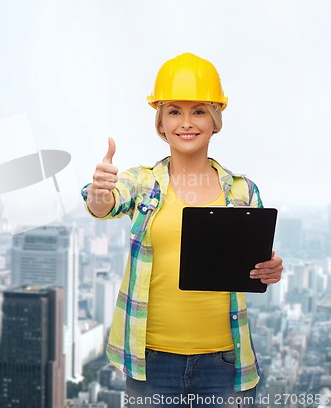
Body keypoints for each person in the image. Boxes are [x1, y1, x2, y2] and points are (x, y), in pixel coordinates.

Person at [81, 53, 283, 407]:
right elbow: (106, 203)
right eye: (174, 111)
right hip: (152, 364)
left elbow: (258, 265)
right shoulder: (142, 182)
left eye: (199, 111)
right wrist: (99, 193)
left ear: (215, 119)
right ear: (161, 121)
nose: (186, 122)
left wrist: (271, 270)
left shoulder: (242, 191)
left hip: (225, 363)